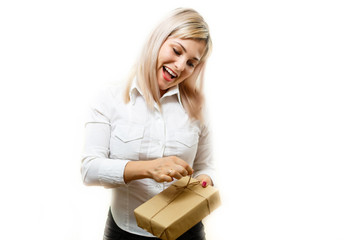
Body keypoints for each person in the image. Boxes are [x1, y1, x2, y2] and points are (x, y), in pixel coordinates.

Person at [81, 8, 215, 240]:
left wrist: (204, 181)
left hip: (187, 230)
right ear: (158, 40)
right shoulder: (110, 98)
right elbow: (89, 169)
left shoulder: (198, 106)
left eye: (192, 62)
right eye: (176, 51)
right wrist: (148, 169)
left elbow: (206, 166)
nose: (181, 66)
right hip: (126, 231)